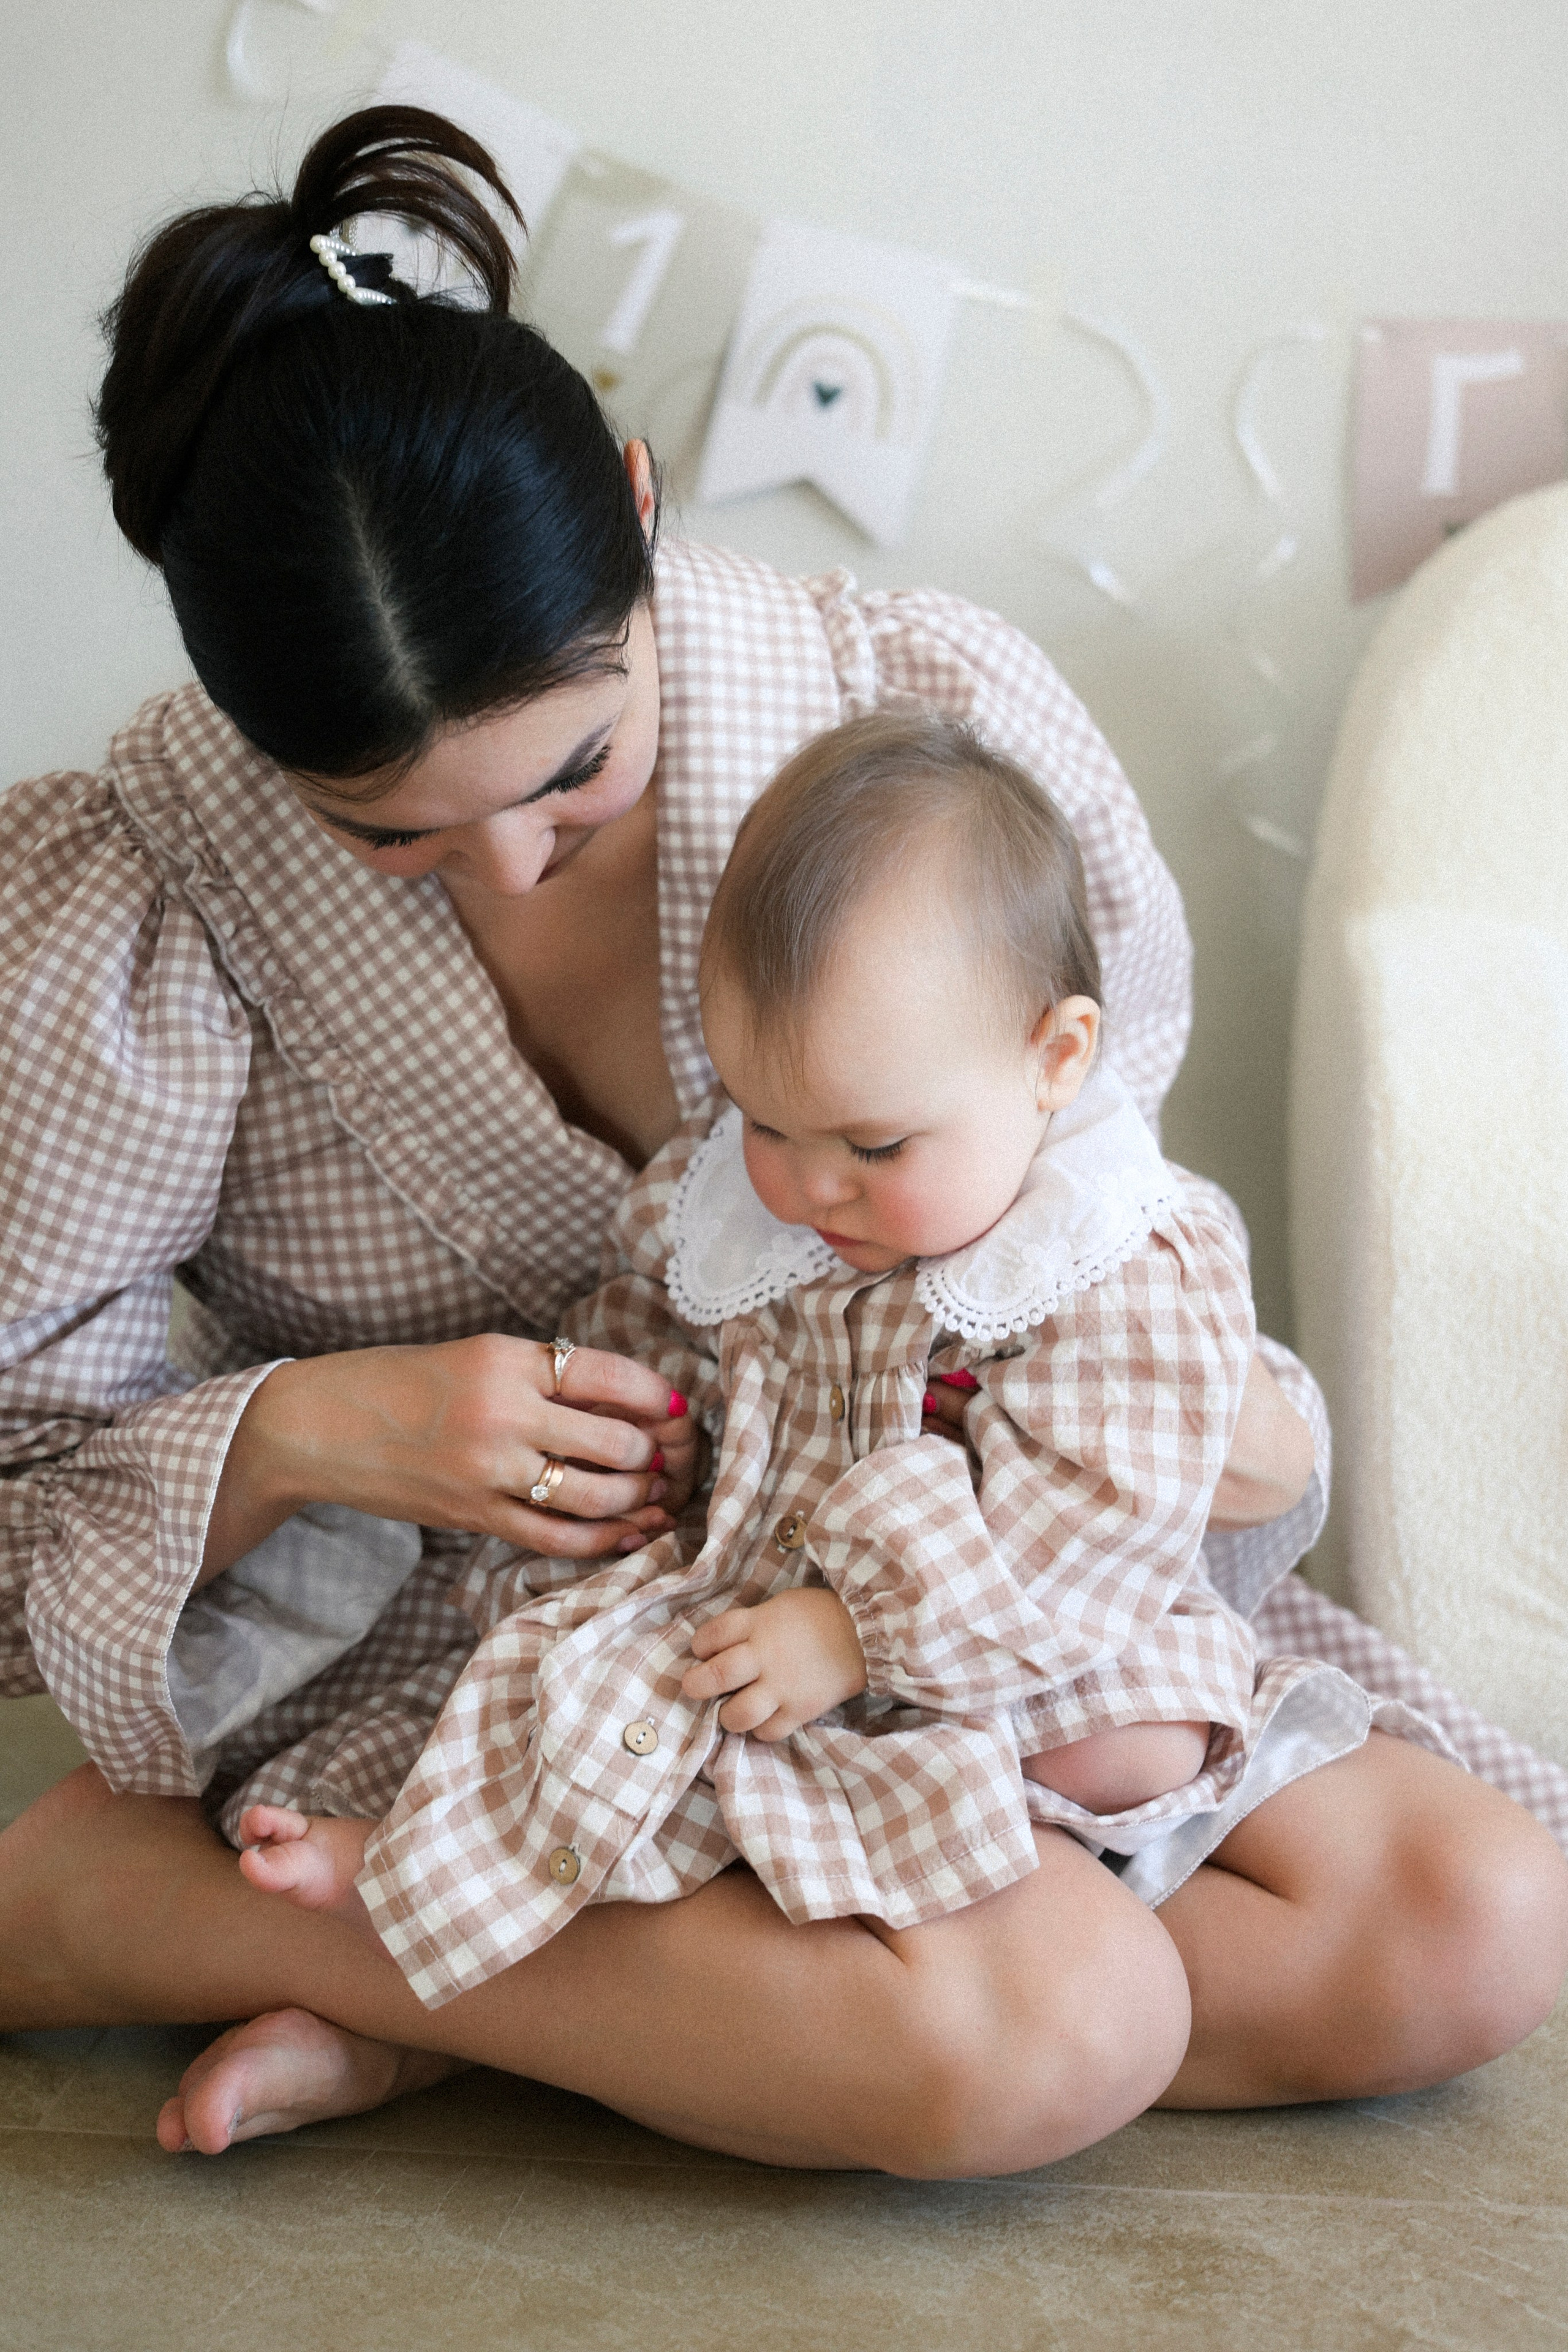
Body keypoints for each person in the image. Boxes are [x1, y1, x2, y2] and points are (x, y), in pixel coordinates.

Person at [2, 105, 1565, 2176]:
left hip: (955, 1589)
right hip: (498, 1640)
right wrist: (312, 1428)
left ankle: (472, 2011)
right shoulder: (140, 897)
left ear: (639, 511)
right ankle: (144, 1907)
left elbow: (1086, 1240)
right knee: (1053, 2027)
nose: (504, 871)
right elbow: (23, 1470)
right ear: (246, 731)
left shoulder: (922, 745)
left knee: (1464, 1931)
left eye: (577, 777)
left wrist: (1212, 1432)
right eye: (387, 836)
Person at [236, 709, 1346, 2002]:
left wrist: (857, 1633)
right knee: (599, 1694)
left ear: (1054, 1059)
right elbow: (648, 1334)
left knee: (1137, 1740)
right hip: (752, 1598)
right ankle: (406, 1906)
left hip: (1004, 1627)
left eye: (874, 1147)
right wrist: (647, 1440)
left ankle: (467, 1959)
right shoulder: (728, 1206)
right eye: (765, 1117)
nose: (811, 1186)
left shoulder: (1110, 1254)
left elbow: (1092, 1515)